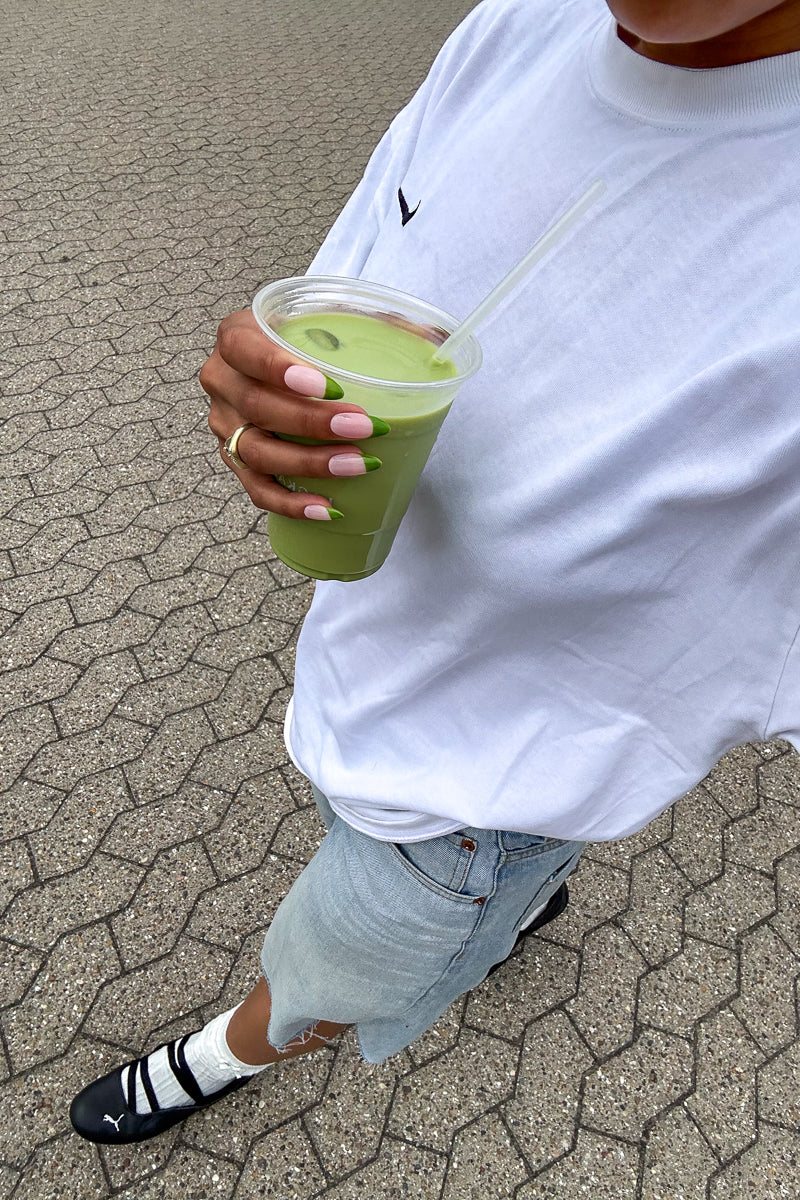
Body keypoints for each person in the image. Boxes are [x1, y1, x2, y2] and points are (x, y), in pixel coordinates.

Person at [71, 0, 800, 1144]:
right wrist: (263, 398)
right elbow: (338, 311)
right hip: (353, 680)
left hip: (468, 819)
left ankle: (226, 1054)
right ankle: (519, 909)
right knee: (425, 869)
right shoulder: (522, 23)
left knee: (318, 970)